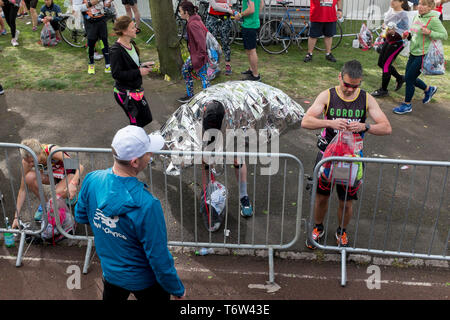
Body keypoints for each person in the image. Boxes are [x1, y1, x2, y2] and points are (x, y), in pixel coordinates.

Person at [75, 125, 186, 301]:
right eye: (149, 153)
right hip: (146, 281)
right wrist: (177, 289)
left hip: (111, 273)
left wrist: (108, 230)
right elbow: (159, 257)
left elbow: (81, 215)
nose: (151, 157)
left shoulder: (92, 179)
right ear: (135, 162)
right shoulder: (148, 205)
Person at [301, 60, 392, 248]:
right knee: (322, 197)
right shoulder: (327, 95)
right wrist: (330, 123)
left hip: (350, 162)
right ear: (339, 77)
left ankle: (341, 231)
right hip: (328, 158)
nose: (350, 89)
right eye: (347, 84)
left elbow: (386, 128)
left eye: (355, 86)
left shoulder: (366, 99)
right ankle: (318, 227)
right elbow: (306, 121)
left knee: (346, 201)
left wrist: (365, 126)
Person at [11, 139, 84, 229]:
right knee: (28, 178)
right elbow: (22, 190)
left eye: (32, 161)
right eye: (28, 161)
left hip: (68, 174)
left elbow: (79, 167)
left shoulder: (53, 151)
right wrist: (16, 217)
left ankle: (67, 195)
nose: (30, 164)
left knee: (57, 194)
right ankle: (47, 206)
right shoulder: (26, 161)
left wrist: (73, 183)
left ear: (40, 152)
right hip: (53, 175)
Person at [202, 100, 254, 222]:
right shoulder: (202, 111)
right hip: (208, 129)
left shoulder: (234, 112)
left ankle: (244, 196)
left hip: (229, 127)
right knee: (205, 159)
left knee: (237, 158)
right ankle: (205, 193)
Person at [393, 0, 447, 115]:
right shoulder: (417, 16)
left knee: (409, 79)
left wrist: (430, 32)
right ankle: (428, 89)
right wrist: (407, 35)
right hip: (413, 52)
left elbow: (444, 35)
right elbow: (414, 33)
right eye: (420, 4)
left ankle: (407, 105)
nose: (420, 7)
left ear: (430, 7)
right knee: (409, 78)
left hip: (424, 54)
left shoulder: (433, 19)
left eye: (424, 5)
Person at [110, 15, 154, 128]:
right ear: (124, 31)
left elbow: (131, 65)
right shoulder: (116, 51)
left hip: (136, 90)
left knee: (146, 118)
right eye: (133, 27)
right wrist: (139, 72)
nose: (136, 29)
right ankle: (130, 144)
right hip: (125, 94)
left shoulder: (132, 44)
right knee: (136, 125)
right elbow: (116, 74)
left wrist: (142, 65)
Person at [371, 0, 410, 97]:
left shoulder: (403, 15)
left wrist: (395, 31)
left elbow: (406, 32)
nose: (392, 1)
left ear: (401, 2)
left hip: (397, 43)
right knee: (381, 63)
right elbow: (386, 26)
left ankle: (383, 90)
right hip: (388, 40)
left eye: (395, 0)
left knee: (386, 65)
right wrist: (385, 28)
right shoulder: (390, 11)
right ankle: (400, 78)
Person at [177, 1, 210, 103]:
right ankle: (191, 95)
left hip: (200, 55)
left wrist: (200, 58)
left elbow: (201, 42)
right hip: (196, 54)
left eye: (180, 11)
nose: (179, 13)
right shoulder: (194, 20)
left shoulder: (193, 24)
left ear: (186, 12)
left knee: (203, 76)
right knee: (186, 69)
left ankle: (208, 101)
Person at [80, 0, 112, 75]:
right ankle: (91, 64)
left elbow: (107, 5)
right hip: (90, 23)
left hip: (101, 21)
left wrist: (108, 5)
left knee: (104, 43)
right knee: (91, 44)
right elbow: (80, 9)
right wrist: (88, 18)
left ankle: (108, 65)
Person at [235, 0, 263, 81]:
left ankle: (255, 76)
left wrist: (240, 15)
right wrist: (256, 15)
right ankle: (252, 69)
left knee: (251, 51)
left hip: (249, 25)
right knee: (249, 50)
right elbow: (261, 3)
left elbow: (251, 9)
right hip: (253, 23)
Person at [205, 0, 234, 76]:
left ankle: (228, 65)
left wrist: (229, 9)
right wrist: (228, 10)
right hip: (212, 18)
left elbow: (228, 4)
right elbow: (215, 7)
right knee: (211, 43)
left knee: (225, 42)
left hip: (224, 19)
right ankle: (213, 66)